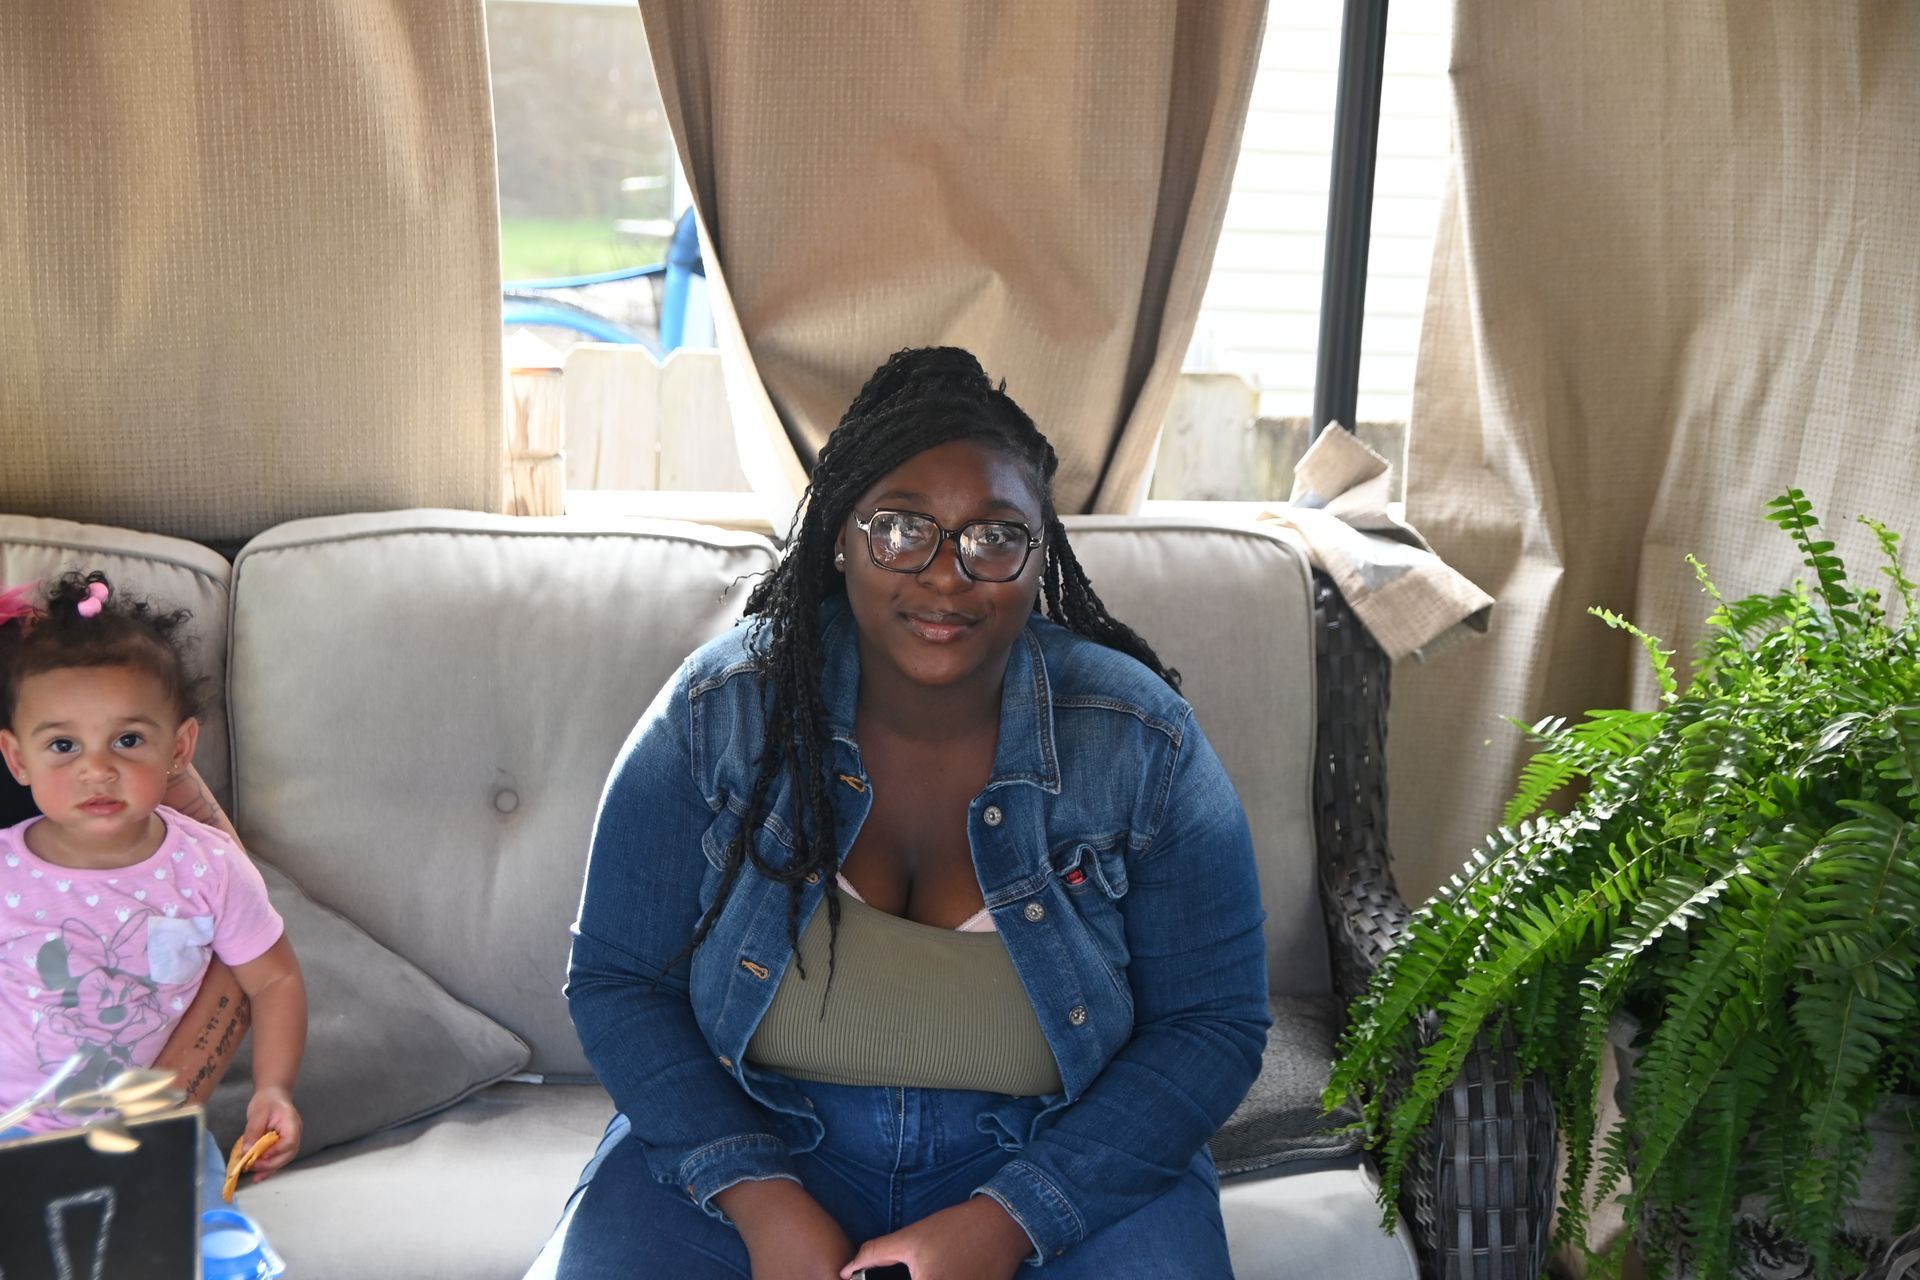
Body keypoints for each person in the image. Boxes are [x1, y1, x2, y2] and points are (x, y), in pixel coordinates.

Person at [529, 347, 1270, 1280]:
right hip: (751, 1134)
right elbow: (617, 980)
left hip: (1063, 1154)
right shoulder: (722, 710)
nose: (947, 573)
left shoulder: (1141, 740)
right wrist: (760, 1199)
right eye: (902, 529)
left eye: (994, 536)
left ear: (1039, 556)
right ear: (841, 537)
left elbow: (1213, 1022)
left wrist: (1011, 1219)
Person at [0, 571, 306, 1208]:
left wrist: (273, 1088)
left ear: (180, 748)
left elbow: (274, 979)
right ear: (17, 759)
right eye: (63, 745)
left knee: (202, 1246)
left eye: (128, 740)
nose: (97, 769)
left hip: (153, 1142)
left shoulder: (210, 868)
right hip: (12, 1136)